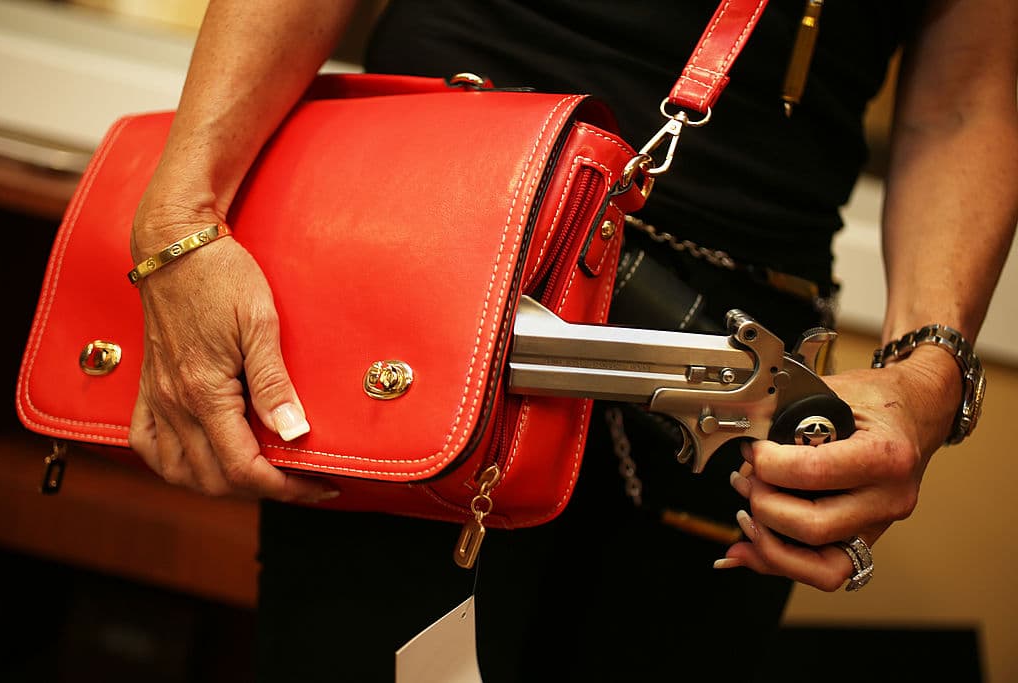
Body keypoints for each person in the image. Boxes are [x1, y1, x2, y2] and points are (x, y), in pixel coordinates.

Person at [126, 1, 1018, 680]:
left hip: (737, 362)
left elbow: (970, 93)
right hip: (430, 261)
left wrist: (930, 372)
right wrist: (181, 221)